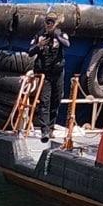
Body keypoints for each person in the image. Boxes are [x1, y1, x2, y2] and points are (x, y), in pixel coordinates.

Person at [28, 13, 69, 142]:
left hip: (57, 73)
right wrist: (39, 46)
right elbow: (30, 52)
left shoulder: (60, 34)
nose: (49, 24)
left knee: (56, 100)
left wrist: (56, 35)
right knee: (45, 101)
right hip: (44, 74)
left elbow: (67, 44)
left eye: (52, 22)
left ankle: (51, 127)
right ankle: (44, 130)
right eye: (47, 21)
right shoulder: (39, 35)